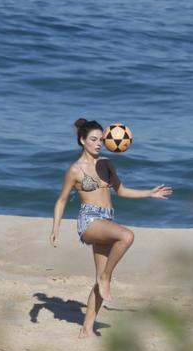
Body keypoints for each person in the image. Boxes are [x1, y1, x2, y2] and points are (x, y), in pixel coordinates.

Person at [50, 118, 172, 338]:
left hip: (107, 219)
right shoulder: (75, 170)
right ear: (82, 140)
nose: (99, 144)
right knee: (126, 236)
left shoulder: (107, 163)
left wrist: (150, 193)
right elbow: (61, 200)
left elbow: (122, 191)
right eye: (94, 139)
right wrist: (55, 228)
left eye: (101, 140)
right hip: (89, 221)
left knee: (99, 281)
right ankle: (106, 277)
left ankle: (86, 328)